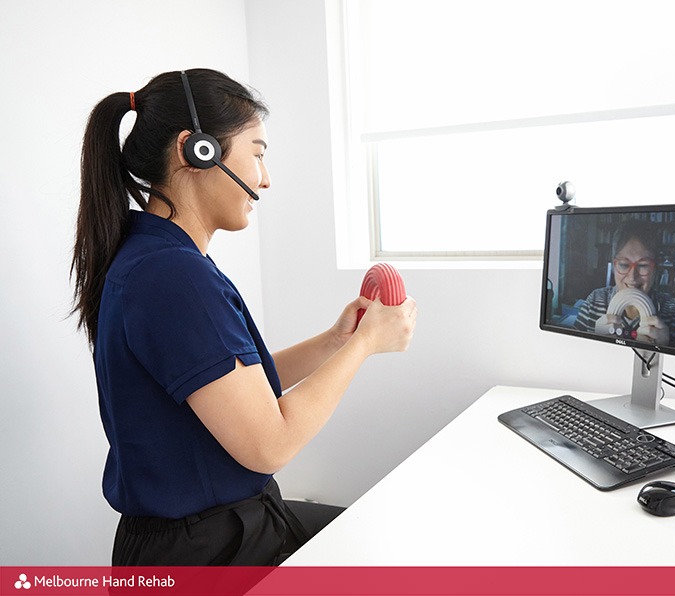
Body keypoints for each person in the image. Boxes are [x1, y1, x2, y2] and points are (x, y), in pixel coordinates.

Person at [71, 69, 417, 566]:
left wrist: (336, 341)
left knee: (377, 536)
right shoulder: (173, 276)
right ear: (197, 151)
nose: (265, 177)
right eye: (257, 153)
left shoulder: (157, 258)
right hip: (207, 552)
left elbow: (233, 389)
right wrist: (367, 346)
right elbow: (269, 444)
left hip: (217, 530)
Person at [573, 220, 675, 346]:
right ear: (614, 266)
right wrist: (595, 344)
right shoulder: (594, 301)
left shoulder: (673, 310)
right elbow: (572, 355)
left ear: (655, 268)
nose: (632, 277)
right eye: (624, 265)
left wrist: (666, 348)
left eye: (642, 265)